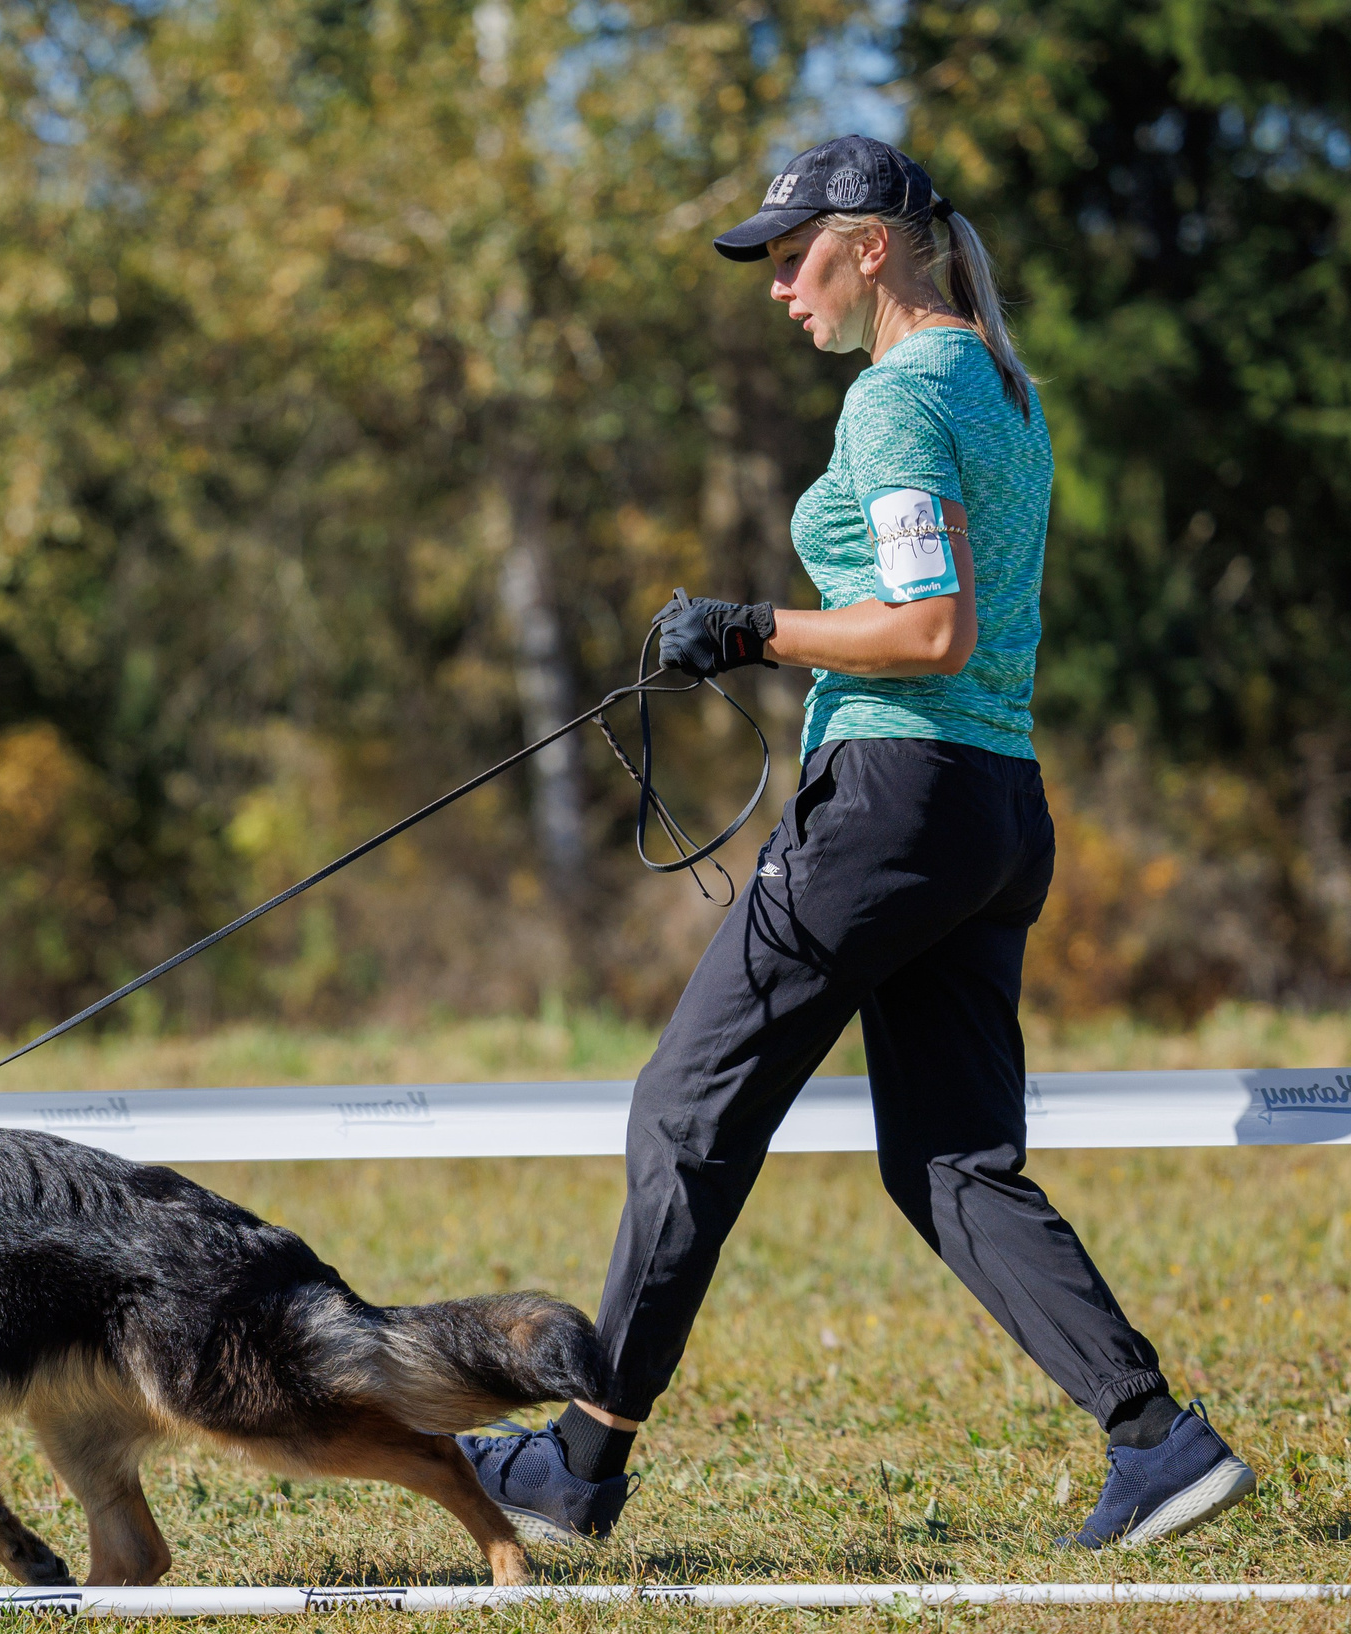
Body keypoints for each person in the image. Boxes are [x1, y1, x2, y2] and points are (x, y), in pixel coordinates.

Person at [461, 136, 1256, 1552]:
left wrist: (749, 627)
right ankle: (1157, 1438)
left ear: (870, 245)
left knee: (685, 1107)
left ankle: (578, 1469)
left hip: (892, 801)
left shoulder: (898, 399)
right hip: (995, 808)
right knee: (949, 1159)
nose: (777, 286)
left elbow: (930, 628)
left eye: (790, 254)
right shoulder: (1005, 392)